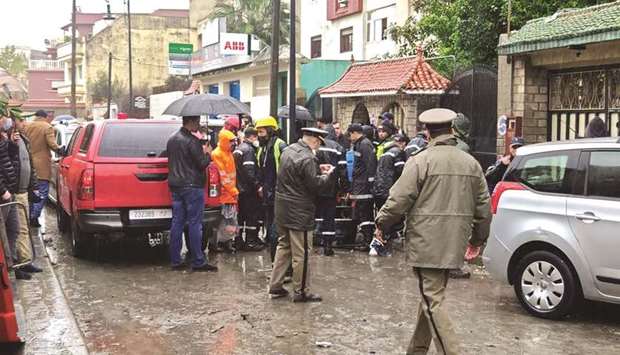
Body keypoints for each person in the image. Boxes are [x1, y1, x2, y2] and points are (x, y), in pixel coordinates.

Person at [375, 108, 491, 355]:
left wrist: (381, 223)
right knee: (431, 297)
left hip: (426, 241)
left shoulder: (420, 160)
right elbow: (484, 207)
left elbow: (398, 199)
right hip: (454, 241)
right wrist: (478, 239)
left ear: (427, 132)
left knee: (432, 300)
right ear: (452, 130)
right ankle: (416, 350)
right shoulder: (471, 163)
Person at [268, 127, 335, 303]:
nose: (319, 147)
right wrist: (327, 175)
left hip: (282, 208)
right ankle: (301, 291)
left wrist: (316, 168)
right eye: (319, 143)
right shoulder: (308, 158)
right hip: (299, 211)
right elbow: (316, 186)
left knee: (283, 246)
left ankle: (275, 285)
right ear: (314, 140)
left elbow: (295, 175)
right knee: (302, 252)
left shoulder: (288, 151)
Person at [166, 116, 217, 272]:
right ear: (192, 122)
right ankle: (198, 260)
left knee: (177, 223)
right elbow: (201, 164)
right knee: (195, 223)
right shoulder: (192, 141)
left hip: (176, 185)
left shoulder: (172, 139)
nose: (199, 125)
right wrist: (208, 153)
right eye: (197, 122)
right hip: (192, 186)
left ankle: (175, 260)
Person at [0, 115, 30, 280]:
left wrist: (11, 143)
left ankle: (11, 267)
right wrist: (2, 190)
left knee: (14, 229)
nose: (5, 120)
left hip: (10, 194)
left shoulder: (4, 138)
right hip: (4, 195)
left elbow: (9, 160)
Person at [12, 115, 42, 274]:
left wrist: (34, 186)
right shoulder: (10, 140)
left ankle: (25, 260)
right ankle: (21, 262)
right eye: (21, 120)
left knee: (24, 227)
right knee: (19, 228)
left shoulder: (24, 139)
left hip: (24, 191)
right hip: (15, 192)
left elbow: (30, 164)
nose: (24, 123)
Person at [256, 116, 287, 261]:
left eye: (261, 132)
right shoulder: (262, 148)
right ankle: (275, 264)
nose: (259, 135)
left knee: (276, 232)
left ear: (270, 130)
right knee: (270, 230)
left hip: (279, 194)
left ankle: (278, 266)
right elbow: (261, 169)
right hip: (268, 195)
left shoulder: (279, 145)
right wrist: (261, 185)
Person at [370, 133, 408, 256]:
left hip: (378, 190)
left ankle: (380, 244)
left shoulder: (384, 153)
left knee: (383, 217)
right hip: (389, 191)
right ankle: (381, 246)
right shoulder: (399, 153)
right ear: (402, 143)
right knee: (390, 219)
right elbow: (401, 172)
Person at [23, 110, 61, 228]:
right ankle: (34, 216)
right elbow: (52, 144)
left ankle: (29, 216)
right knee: (43, 192)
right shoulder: (47, 127)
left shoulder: (27, 127)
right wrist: (61, 149)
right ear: (45, 117)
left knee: (31, 193)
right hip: (42, 165)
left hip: (28, 164)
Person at [316, 132, 348, 256]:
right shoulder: (338, 148)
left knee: (313, 214)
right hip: (331, 188)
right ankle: (327, 246)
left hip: (315, 186)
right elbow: (343, 171)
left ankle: (312, 241)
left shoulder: (314, 146)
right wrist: (345, 189)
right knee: (329, 217)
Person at [347, 123, 377, 249]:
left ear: (354, 133)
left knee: (365, 214)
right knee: (362, 213)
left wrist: (370, 183)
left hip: (364, 187)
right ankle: (366, 239)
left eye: (350, 135)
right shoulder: (359, 144)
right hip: (360, 185)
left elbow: (370, 164)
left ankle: (368, 241)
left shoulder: (364, 144)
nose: (349, 138)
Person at [233, 127, 263, 251]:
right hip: (249, 190)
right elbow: (249, 172)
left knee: (241, 217)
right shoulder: (249, 150)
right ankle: (251, 241)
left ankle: (238, 241)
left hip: (239, 189)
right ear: (252, 137)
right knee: (251, 216)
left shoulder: (238, 149)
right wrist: (258, 186)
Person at [211, 129, 240, 253]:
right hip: (223, 194)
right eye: (231, 142)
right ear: (224, 141)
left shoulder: (228, 153)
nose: (233, 144)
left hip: (230, 194)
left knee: (230, 220)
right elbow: (223, 175)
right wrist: (234, 191)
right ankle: (217, 243)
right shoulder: (217, 154)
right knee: (221, 221)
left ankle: (227, 241)